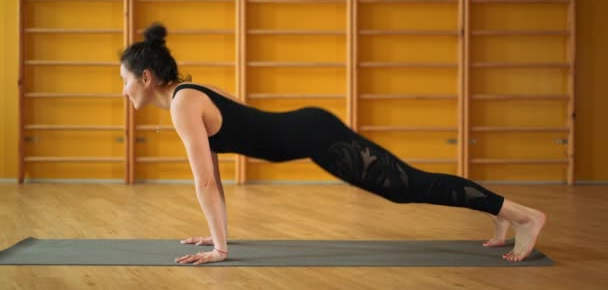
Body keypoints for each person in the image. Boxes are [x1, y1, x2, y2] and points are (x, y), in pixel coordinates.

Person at [119, 24, 546, 265]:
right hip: (311, 128)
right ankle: (500, 216)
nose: (123, 91)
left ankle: (522, 216)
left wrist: (220, 249)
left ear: (146, 79)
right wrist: (217, 238)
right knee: (408, 185)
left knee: (406, 187)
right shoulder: (188, 94)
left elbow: (206, 184)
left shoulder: (183, 104)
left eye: (124, 81)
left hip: (318, 137)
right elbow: (213, 179)